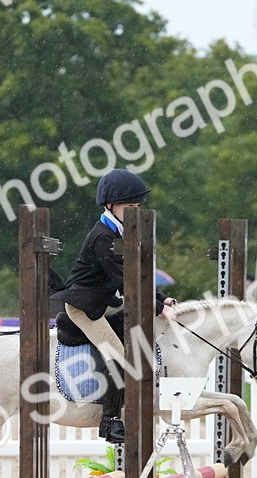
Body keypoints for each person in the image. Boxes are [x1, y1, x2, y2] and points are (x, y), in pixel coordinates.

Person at [51, 168, 176, 443]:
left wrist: (160, 298)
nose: (134, 212)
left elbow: (136, 275)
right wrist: (158, 307)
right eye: (129, 207)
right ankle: (108, 422)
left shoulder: (116, 231)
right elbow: (125, 280)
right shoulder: (103, 237)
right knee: (121, 357)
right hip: (85, 309)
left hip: (104, 302)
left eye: (137, 206)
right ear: (110, 205)